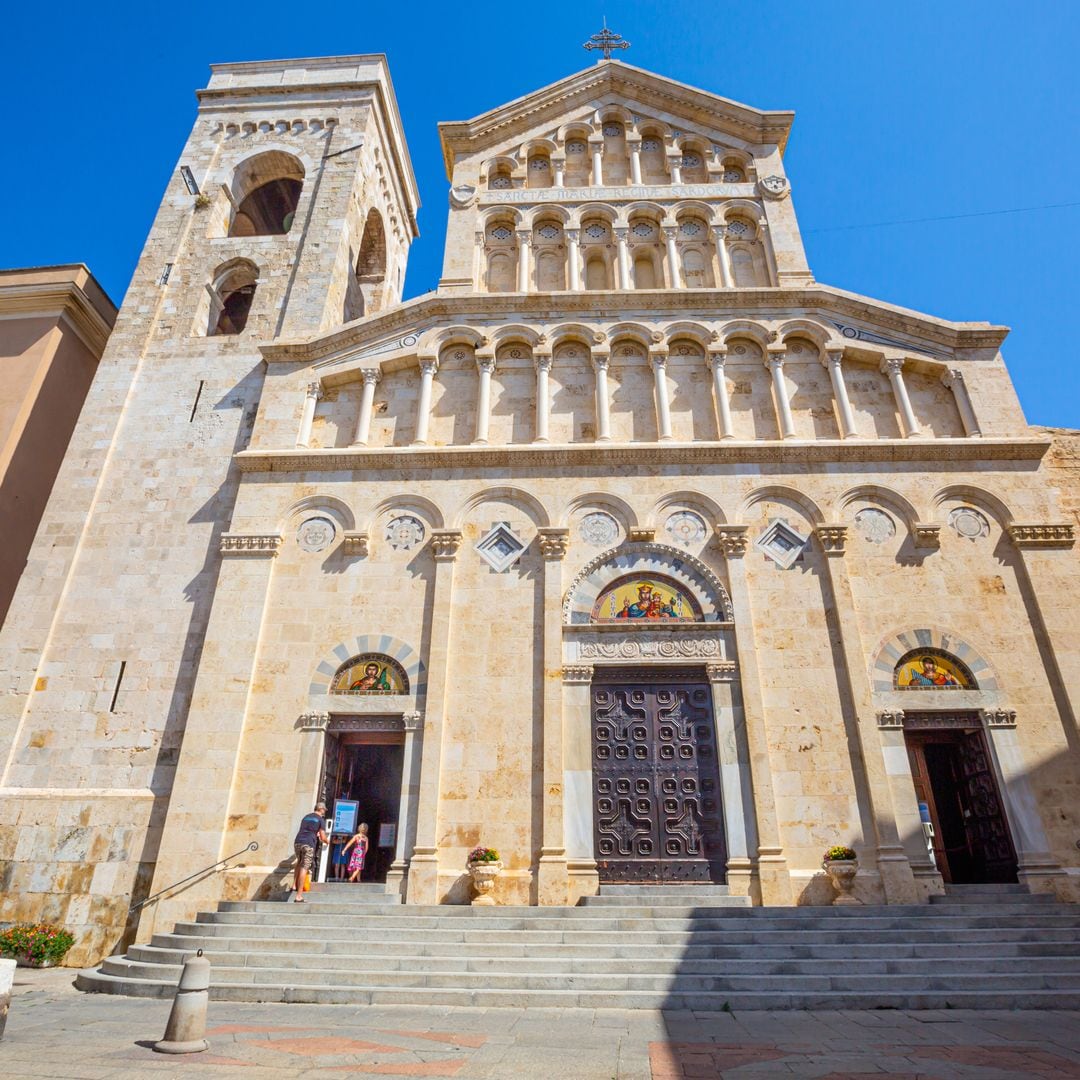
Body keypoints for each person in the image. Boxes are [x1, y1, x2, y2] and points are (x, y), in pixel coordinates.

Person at [292, 802, 328, 902]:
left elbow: (306, 829)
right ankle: (299, 895)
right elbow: (323, 837)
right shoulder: (320, 819)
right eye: (324, 810)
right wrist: (327, 842)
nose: (324, 812)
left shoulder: (306, 817)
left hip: (298, 841)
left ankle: (293, 885)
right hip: (308, 843)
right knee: (305, 866)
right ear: (320, 809)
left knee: (299, 862)